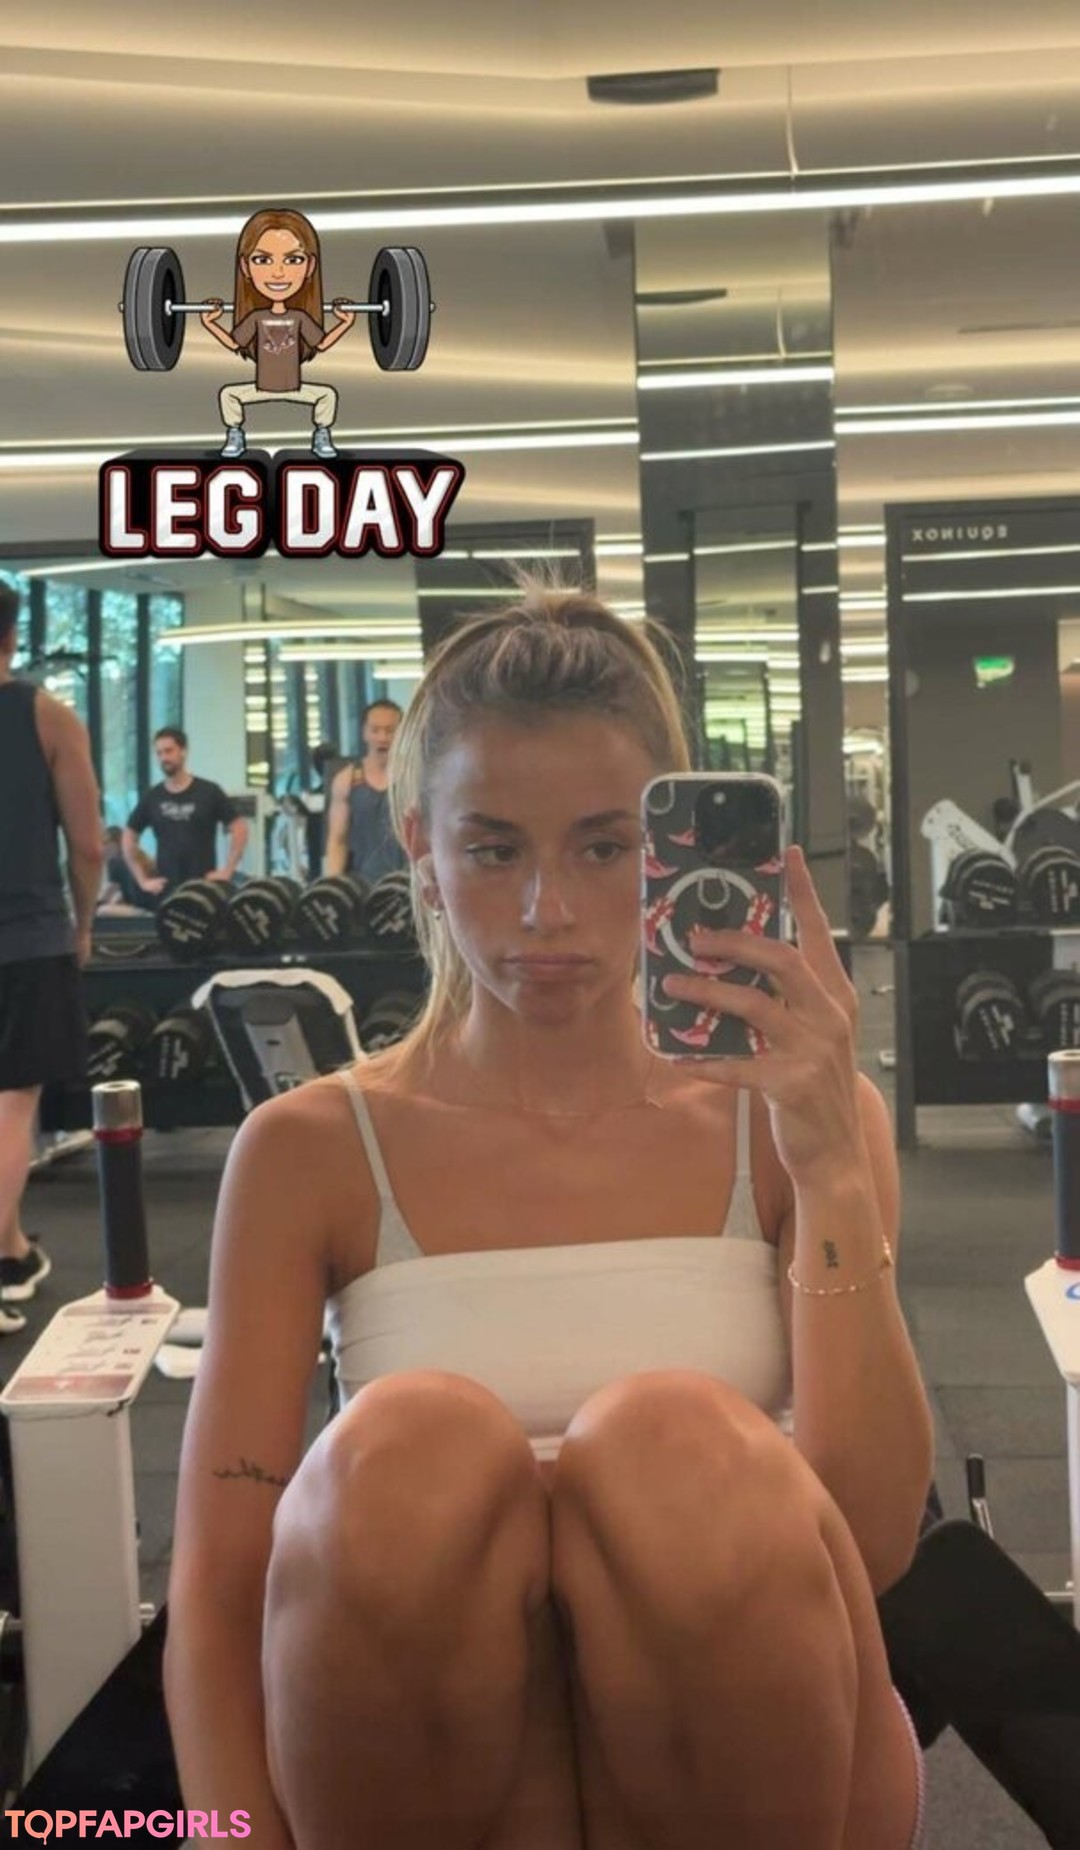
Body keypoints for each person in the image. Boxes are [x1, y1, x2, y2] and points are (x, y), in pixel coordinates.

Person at [167, 587, 934, 1850]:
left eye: (601, 847)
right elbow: (217, 1588)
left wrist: (833, 1168)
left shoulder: (796, 1116)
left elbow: (875, 1536)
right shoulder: (309, 1150)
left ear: (665, 852)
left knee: (672, 1437)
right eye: (494, 850)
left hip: (747, 1747)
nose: (547, 911)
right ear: (420, 847)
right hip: (424, 1774)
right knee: (401, 1452)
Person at [0, 584, 104, 1334]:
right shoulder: (47, 716)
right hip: (27, 940)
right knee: (13, 1103)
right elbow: (90, 844)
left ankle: (12, 1251)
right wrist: (85, 923)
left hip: (25, 939)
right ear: (11, 638)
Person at [199, 207, 357, 460]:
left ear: (310, 266)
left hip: (295, 387)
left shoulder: (300, 317)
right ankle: (235, 435)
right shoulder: (256, 318)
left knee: (327, 395)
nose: (278, 273)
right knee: (228, 394)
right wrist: (209, 323)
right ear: (245, 266)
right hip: (261, 387)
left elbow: (322, 344)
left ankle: (322, 436)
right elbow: (233, 342)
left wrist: (346, 323)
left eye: (293, 260)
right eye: (262, 260)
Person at [123, 729, 248, 897]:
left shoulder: (209, 792)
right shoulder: (153, 797)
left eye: (169, 751)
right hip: (166, 890)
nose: (164, 758)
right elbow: (129, 837)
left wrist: (228, 870)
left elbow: (240, 828)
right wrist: (142, 880)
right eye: (159, 753)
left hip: (204, 889)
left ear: (183, 751)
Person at [323, 699, 409, 883]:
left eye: (390, 730)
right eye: (375, 730)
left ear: (402, 733)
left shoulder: (415, 778)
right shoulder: (347, 780)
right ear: (364, 733)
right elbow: (337, 840)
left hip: (408, 883)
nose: (382, 738)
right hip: (363, 885)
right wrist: (333, 886)